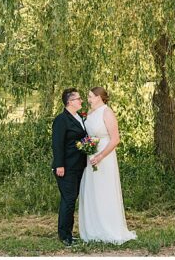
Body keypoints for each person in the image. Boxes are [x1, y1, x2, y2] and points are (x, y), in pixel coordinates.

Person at [77, 86, 136, 244]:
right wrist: (87, 147)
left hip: (105, 155)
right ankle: (93, 229)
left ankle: (109, 228)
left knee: (104, 190)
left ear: (99, 97)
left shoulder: (107, 112)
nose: (88, 99)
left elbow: (115, 139)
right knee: (92, 190)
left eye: (90, 96)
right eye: (88, 96)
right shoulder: (89, 113)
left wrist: (101, 156)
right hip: (91, 155)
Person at [51, 87, 88, 246]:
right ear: (70, 102)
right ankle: (64, 235)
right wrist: (59, 165)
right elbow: (57, 144)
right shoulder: (61, 119)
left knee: (71, 199)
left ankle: (69, 233)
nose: (81, 101)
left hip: (78, 165)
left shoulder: (79, 117)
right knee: (68, 199)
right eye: (78, 99)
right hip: (65, 167)